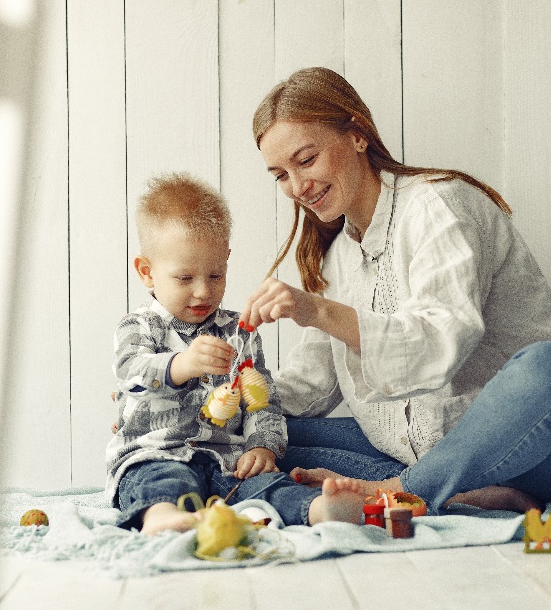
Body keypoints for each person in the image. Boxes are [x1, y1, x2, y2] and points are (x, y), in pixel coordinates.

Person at [238, 67, 551, 516]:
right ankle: (463, 492)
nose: (297, 187)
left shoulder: (438, 206)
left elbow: (440, 342)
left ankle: (399, 489)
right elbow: (310, 386)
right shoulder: (338, 257)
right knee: (255, 437)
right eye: (280, 175)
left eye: (306, 160)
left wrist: (319, 310)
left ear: (358, 135)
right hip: (426, 453)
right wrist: (224, 395)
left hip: (547, 452)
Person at [106, 172, 371, 534]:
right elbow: (131, 371)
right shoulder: (140, 327)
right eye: (185, 278)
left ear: (227, 260)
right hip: (157, 453)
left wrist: (263, 447)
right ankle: (162, 517)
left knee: (265, 486)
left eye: (215, 275)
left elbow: (263, 401)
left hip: (227, 460)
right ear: (147, 272)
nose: (203, 291)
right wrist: (181, 364)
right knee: (161, 480)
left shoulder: (238, 331)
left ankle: (318, 509)